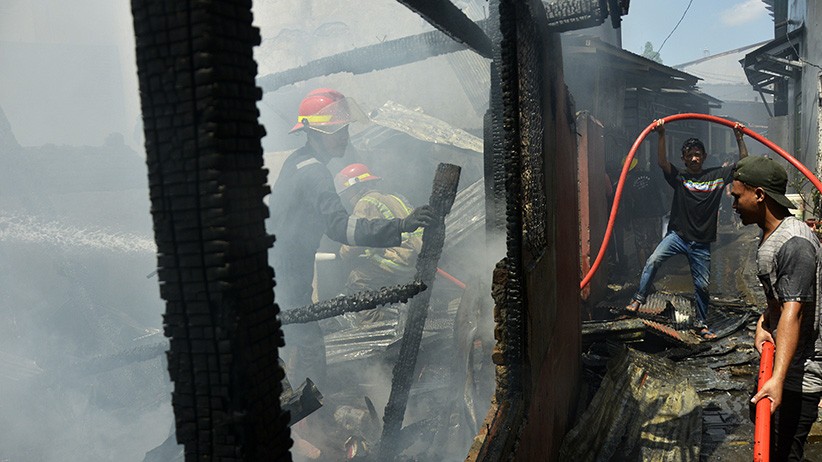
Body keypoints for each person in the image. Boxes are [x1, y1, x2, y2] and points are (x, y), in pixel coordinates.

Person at [268, 88, 434, 386]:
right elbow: (342, 229)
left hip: (282, 271)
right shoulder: (315, 173)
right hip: (287, 274)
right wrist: (400, 226)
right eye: (335, 130)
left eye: (344, 128)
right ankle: (311, 421)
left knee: (294, 342)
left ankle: (300, 415)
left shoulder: (297, 162)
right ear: (315, 133)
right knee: (309, 348)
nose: (344, 136)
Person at [731, 156, 822, 461]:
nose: (733, 204)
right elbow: (781, 301)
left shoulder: (795, 242)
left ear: (759, 194)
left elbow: (794, 311)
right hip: (787, 366)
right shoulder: (771, 234)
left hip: (802, 374)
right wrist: (763, 321)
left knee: (783, 453)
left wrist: (778, 379)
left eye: (737, 196)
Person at [625, 121, 748, 340]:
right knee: (653, 260)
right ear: (683, 158)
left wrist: (739, 138)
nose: (694, 158)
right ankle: (638, 298)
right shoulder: (680, 177)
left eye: (697, 154)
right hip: (677, 237)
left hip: (701, 243)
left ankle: (701, 323)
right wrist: (661, 134)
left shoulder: (717, 176)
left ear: (704, 156)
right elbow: (662, 162)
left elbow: (744, 165)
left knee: (702, 286)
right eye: (689, 155)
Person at [334, 163, 423, 323]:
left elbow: (357, 238)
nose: (347, 199)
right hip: (414, 259)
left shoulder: (366, 203)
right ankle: (394, 310)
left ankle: (375, 326)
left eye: (347, 194)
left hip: (397, 261)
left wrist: (343, 254)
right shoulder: (392, 197)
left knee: (358, 279)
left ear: (356, 188)